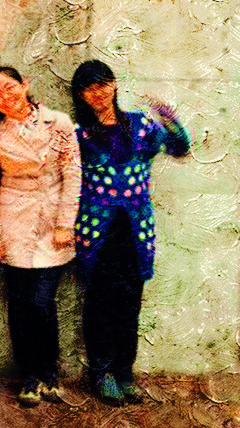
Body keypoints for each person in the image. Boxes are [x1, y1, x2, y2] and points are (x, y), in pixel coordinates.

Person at [70, 60, 189, 405]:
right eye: (88, 88)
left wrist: (169, 117)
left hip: (136, 232)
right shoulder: (79, 135)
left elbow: (180, 148)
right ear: (80, 95)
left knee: (130, 304)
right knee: (100, 304)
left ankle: (124, 372)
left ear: (114, 84)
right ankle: (101, 373)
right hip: (97, 232)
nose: (97, 92)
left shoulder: (140, 125)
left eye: (102, 83)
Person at [0, 66, 80, 407]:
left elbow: (73, 174)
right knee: (20, 305)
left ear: (25, 85)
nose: (4, 97)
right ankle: (29, 377)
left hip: (52, 224)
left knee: (42, 302)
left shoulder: (59, 123)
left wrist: (66, 223)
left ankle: (49, 373)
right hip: (14, 224)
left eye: (9, 87)